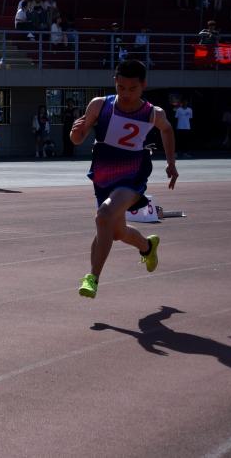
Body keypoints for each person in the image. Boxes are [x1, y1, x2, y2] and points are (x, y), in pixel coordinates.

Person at [69, 59, 177, 299]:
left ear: (143, 85)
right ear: (114, 82)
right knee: (115, 232)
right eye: (121, 87)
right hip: (103, 174)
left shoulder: (153, 113)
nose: (126, 94)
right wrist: (75, 133)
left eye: (132, 89)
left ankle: (92, 278)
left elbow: (167, 129)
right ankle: (147, 246)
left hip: (132, 174)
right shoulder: (99, 105)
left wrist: (171, 163)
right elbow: (78, 139)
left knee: (104, 216)